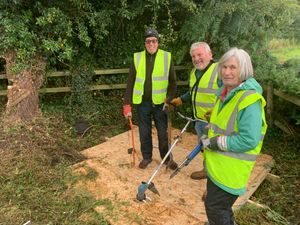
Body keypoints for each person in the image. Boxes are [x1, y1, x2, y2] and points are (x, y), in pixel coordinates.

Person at [201, 47, 267, 225]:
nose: (227, 72)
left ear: (243, 70)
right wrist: (210, 130)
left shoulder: (249, 100)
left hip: (230, 171)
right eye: (224, 67)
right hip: (218, 166)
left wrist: (214, 142)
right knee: (219, 208)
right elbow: (225, 125)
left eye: (232, 68)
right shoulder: (226, 93)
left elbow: (249, 139)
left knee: (215, 208)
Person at [123, 28, 178, 170]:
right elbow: (130, 83)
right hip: (143, 103)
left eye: (154, 41)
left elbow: (173, 82)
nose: (151, 44)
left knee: (162, 133)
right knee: (144, 132)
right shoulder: (137, 58)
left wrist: (169, 99)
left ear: (158, 42)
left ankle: (166, 159)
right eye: (148, 41)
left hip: (161, 104)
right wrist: (127, 105)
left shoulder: (167, 57)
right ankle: (147, 157)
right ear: (145, 43)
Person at [171, 42, 222, 180]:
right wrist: (181, 100)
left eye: (200, 54)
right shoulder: (194, 72)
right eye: (193, 56)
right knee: (206, 148)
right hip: (199, 120)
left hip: (216, 122)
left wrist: (218, 112)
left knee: (217, 150)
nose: (196, 58)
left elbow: (229, 95)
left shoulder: (220, 70)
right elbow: (194, 91)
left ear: (210, 55)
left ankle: (216, 180)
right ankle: (207, 171)